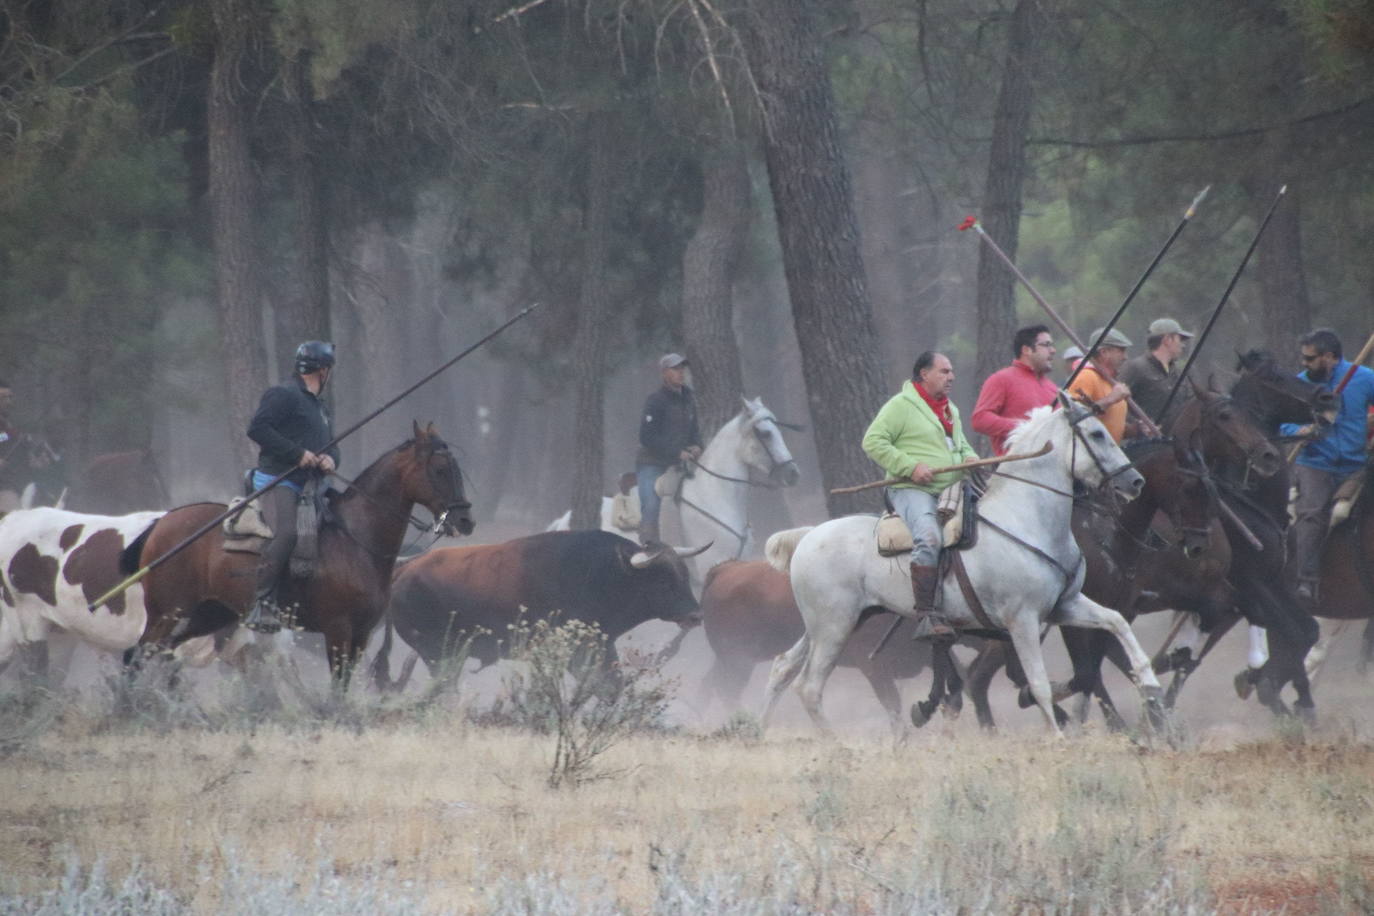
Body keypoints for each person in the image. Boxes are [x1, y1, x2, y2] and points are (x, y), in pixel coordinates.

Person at [862, 351, 978, 640]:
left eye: (951, 371)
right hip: (911, 489)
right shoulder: (900, 405)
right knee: (929, 536)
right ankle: (927, 614)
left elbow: (960, 446)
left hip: (950, 489)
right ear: (924, 374)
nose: (951, 376)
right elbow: (872, 441)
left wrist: (972, 459)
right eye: (944, 371)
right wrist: (911, 467)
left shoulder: (950, 408)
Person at [243, 341, 340, 633]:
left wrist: (330, 460)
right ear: (323, 371)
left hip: (312, 486)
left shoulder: (319, 408)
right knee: (287, 533)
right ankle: (262, 603)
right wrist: (298, 454)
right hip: (277, 480)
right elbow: (257, 429)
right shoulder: (283, 395)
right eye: (330, 370)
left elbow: (333, 448)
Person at [1280, 328, 1374, 604]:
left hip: (1356, 465)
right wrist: (1300, 430)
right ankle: (1305, 581)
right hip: (1315, 464)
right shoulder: (1299, 384)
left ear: (1330, 357)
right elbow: (1282, 422)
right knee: (1312, 514)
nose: (1304, 364)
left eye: (1310, 359)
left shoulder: (1364, 378)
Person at [636, 353, 702, 545]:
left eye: (682, 368)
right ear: (665, 373)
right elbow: (647, 437)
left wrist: (697, 446)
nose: (681, 373)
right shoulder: (655, 400)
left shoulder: (689, 399)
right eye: (675, 369)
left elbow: (695, 431)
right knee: (651, 504)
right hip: (652, 463)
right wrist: (676, 452)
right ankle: (648, 544)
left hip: (680, 464)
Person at [971, 324, 1059, 456]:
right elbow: (980, 419)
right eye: (1046, 345)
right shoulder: (1001, 379)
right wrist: (1023, 426)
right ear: (1026, 350)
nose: (1053, 350)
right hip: (1015, 470)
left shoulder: (1052, 388)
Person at [1119, 317, 1194, 424]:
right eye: (1180, 339)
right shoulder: (1134, 368)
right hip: (1143, 439)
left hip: (1176, 440)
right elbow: (1117, 405)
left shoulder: (1179, 374)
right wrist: (1138, 425)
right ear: (1167, 340)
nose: (1183, 344)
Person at [1067, 328, 1134, 442]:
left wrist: (1137, 429)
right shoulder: (1087, 376)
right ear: (1104, 352)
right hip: (1088, 457)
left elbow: (1112, 427)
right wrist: (1111, 399)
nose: (1125, 357)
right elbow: (1073, 418)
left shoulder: (1112, 383)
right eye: (1121, 351)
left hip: (1110, 455)